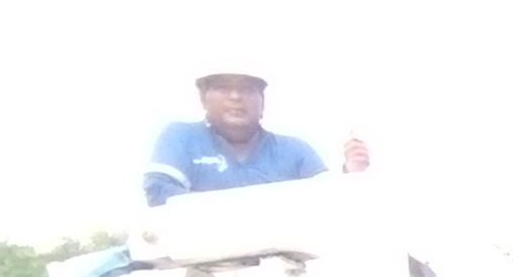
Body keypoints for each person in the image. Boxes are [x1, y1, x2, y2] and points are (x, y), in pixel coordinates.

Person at [143, 71, 366, 208]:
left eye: (247, 89)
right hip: (194, 263)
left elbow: (329, 203)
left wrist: (351, 174)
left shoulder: (295, 150)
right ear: (203, 97)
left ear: (262, 101)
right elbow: (158, 193)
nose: (235, 97)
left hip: (283, 264)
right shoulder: (180, 137)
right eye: (222, 88)